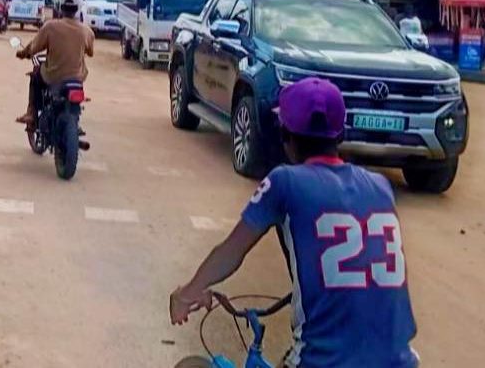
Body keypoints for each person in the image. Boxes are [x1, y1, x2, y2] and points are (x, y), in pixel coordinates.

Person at [170, 77, 418, 367]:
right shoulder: (381, 187)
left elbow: (231, 252)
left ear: (285, 135)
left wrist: (187, 293)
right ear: (340, 135)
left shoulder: (284, 181)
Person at [14, 0, 94, 128]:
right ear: (77, 9)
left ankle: (32, 113)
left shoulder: (50, 26)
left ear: (60, 8)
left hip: (53, 76)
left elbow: (34, 47)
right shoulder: (87, 31)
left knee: (35, 76)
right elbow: (90, 52)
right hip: (77, 78)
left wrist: (24, 53)